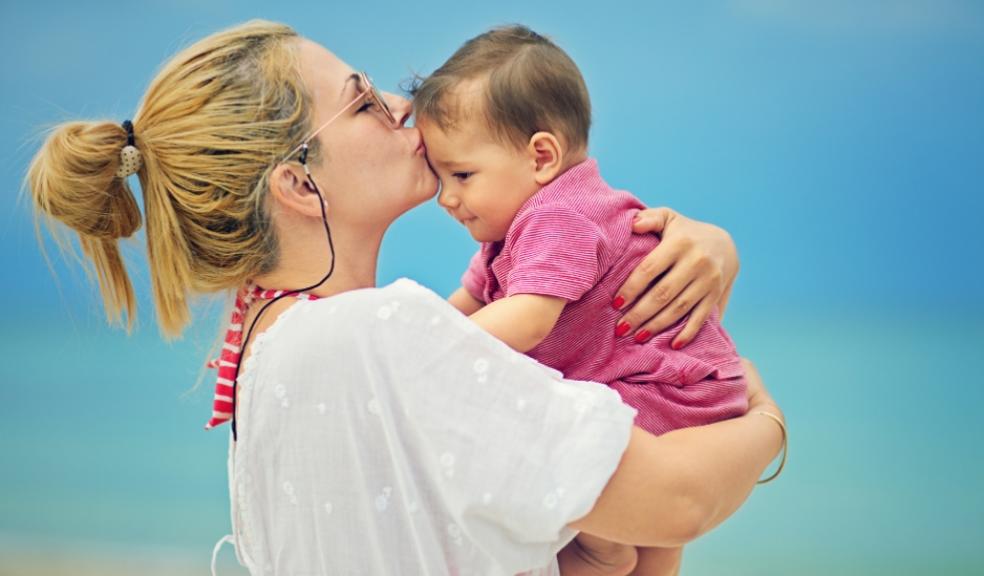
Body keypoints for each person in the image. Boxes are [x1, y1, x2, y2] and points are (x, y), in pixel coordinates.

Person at [26, 20, 785, 576]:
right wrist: (765, 418)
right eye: (360, 103)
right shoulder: (378, 337)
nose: (399, 105)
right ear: (297, 183)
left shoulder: (277, 346)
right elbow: (680, 501)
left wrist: (696, 245)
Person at [413, 25, 750, 575]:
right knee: (656, 543)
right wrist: (406, 328)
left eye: (462, 174)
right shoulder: (517, 224)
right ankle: (619, 550)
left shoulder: (559, 217)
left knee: (570, 455)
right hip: (685, 386)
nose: (446, 197)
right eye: (439, 176)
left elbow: (527, 319)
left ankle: (599, 543)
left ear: (541, 156)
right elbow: (472, 299)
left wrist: (420, 345)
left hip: (665, 392)